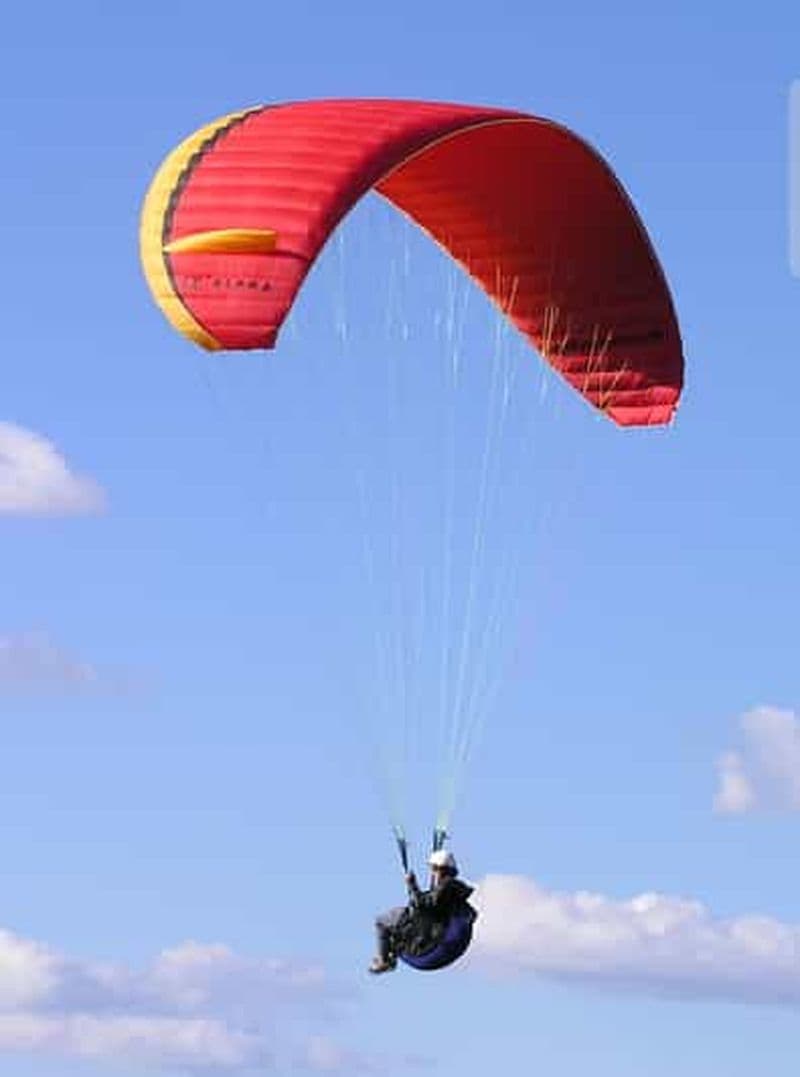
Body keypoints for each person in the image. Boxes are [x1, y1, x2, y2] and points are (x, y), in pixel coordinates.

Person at [369, 849, 475, 973]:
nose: (432, 873)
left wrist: (412, 884)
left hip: (426, 944)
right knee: (395, 922)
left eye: (433, 869)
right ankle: (391, 952)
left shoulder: (445, 888)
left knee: (381, 921)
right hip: (438, 945)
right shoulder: (455, 889)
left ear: (438, 869)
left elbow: (422, 905)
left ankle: (384, 961)